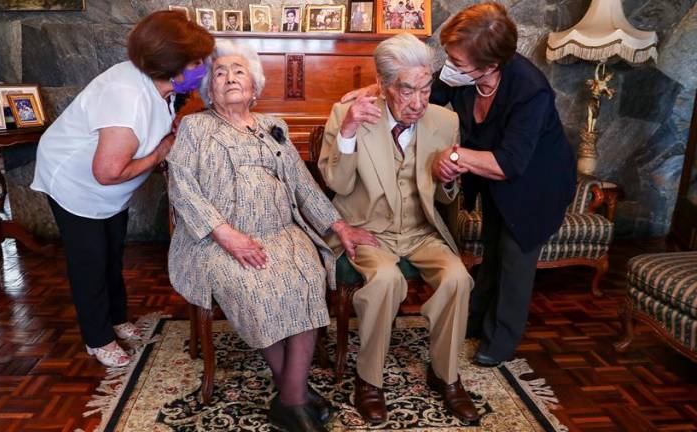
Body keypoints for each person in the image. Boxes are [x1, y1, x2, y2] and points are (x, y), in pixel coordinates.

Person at [167, 40, 378, 432]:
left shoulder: (273, 126)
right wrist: (226, 235)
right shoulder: (196, 127)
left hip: (282, 232)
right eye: (220, 73)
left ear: (255, 87)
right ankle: (295, 396)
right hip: (215, 240)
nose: (229, 78)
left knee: (306, 277)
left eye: (239, 72)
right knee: (258, 287)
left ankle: (291, 394)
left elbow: (303, 186)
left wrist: (339, 226)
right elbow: (181, 187)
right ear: (209, 89)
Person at [30, 11, 214, 368]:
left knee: (113, 251)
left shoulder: (162, 85)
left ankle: (115, 318)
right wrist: (161, 152)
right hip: (75, 182)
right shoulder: (126, 97)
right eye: (196, 62)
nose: (202, 67)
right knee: (91, 261)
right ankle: (96, 338)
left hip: (108, 188)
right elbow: (108, 172)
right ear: (172, 65)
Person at [319, 33, 480, 424]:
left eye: (426, 88)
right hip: (367, 229)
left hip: (421, 231)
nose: (419, 102)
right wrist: (349, 133)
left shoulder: (445, 121)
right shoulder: (350, 114)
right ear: (384, 84)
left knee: (458, 277)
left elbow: (445, 199)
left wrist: (447, 180)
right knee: (387, 280)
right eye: (408, 90)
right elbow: (336, 184)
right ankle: (368, 380)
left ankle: (447, 376)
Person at [431, 2, 576, 367]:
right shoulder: (463, 73)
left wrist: (453, 158)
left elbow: (510, 163)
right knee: (493, 250)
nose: (449, 66)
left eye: (457, 62)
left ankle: (501, 341)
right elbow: (426, 94)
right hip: (495, 177)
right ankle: (476, 321)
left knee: (515, 258)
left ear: (490, 65)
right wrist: (378, 94)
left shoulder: (530, 90)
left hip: (536, 185)